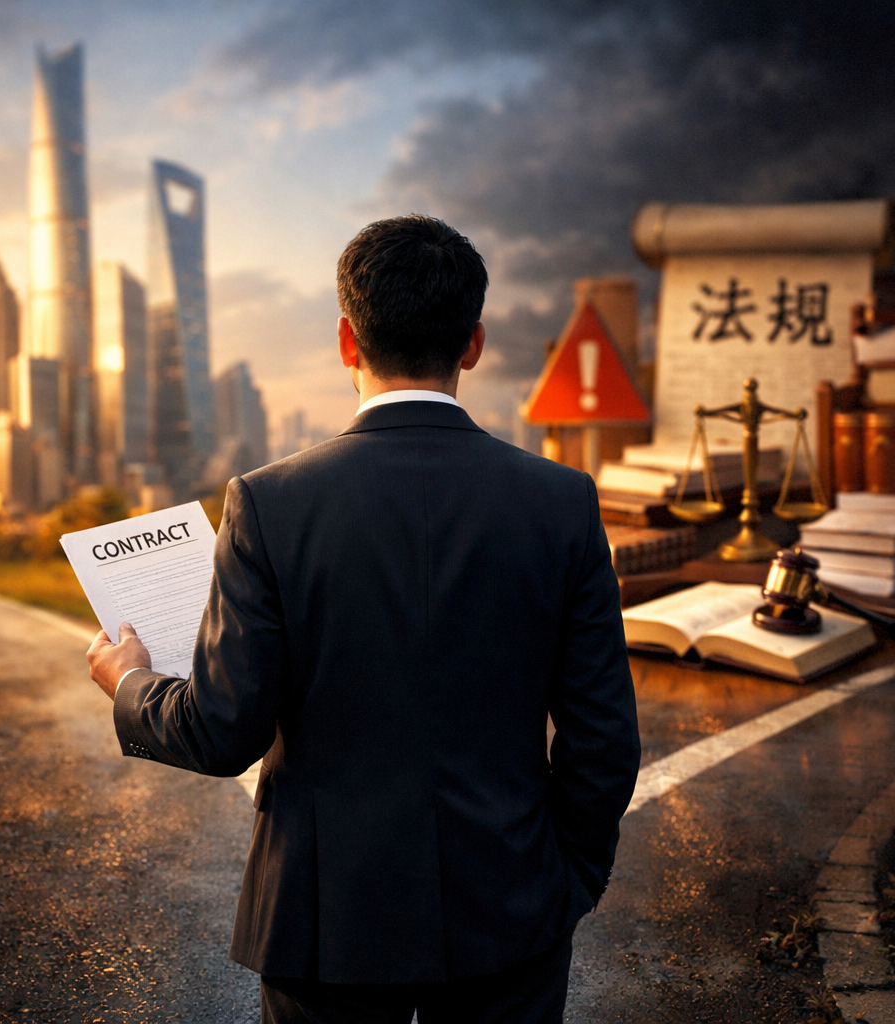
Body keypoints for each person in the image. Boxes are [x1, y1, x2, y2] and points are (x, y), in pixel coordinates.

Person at [88, 214, 640, 1024]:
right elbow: (603, 737)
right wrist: (569, 881)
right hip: (514, 911)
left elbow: (224, 729)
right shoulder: (562, 503)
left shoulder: (268, 502)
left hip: (324, 921)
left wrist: (127, 680)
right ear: (475, 343)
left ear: (347, 341)